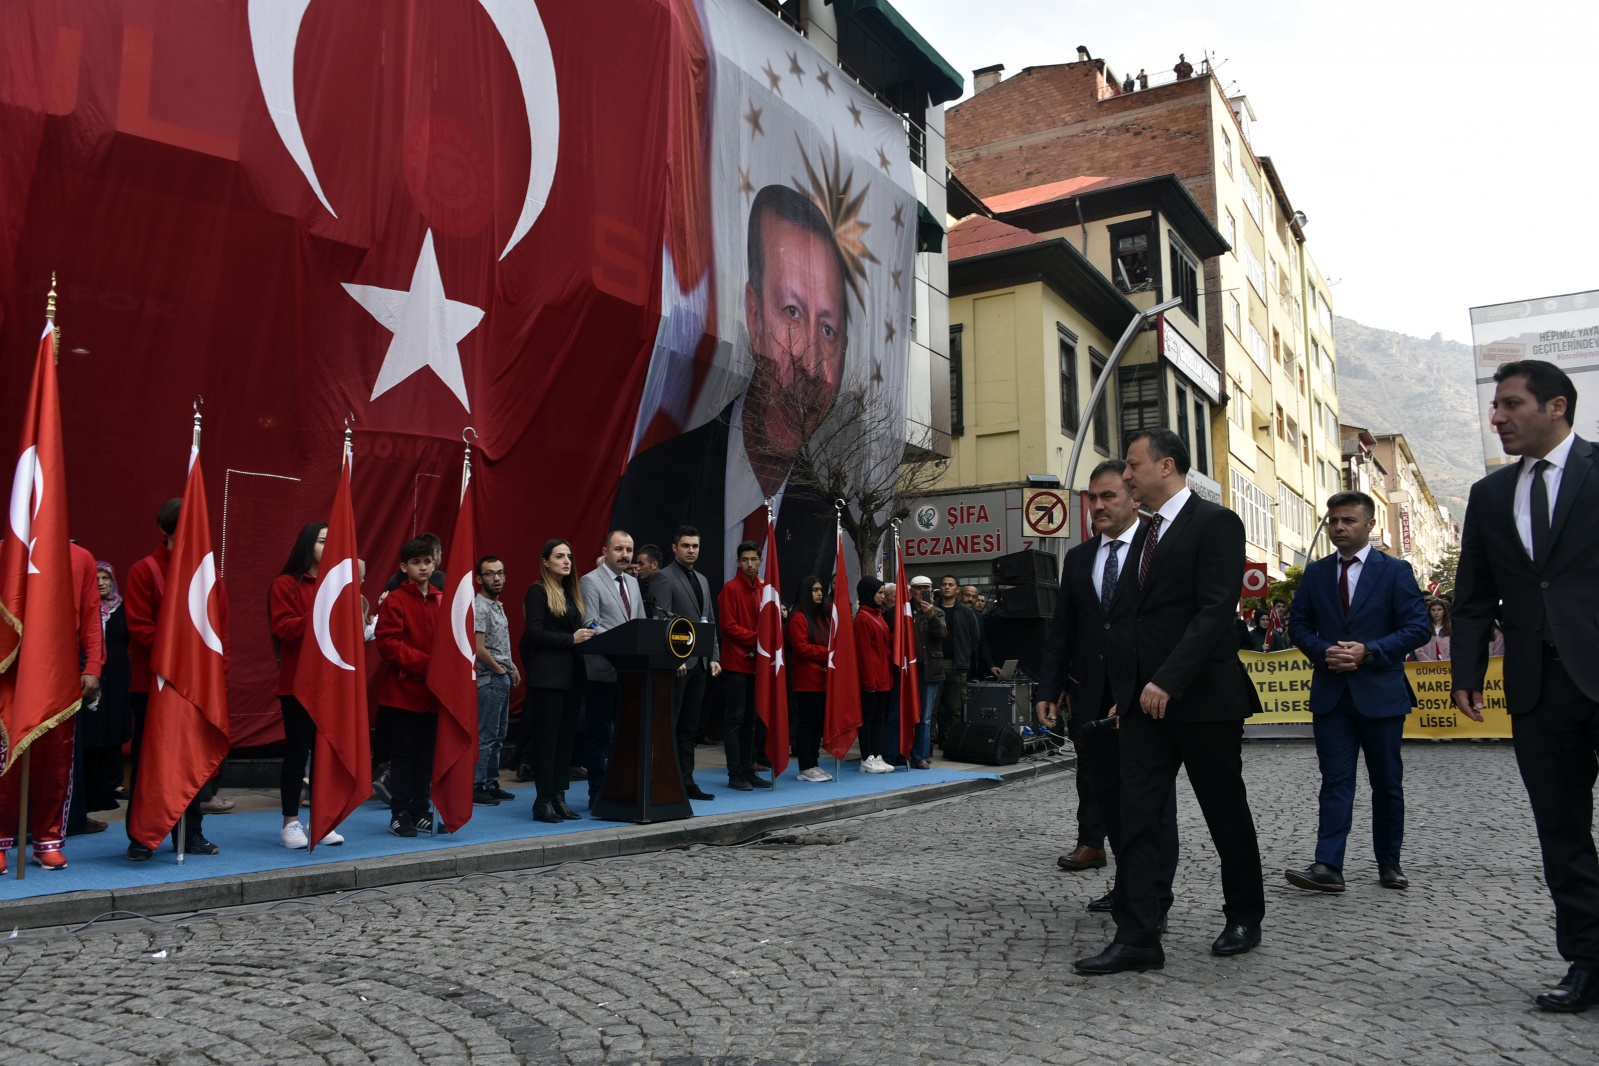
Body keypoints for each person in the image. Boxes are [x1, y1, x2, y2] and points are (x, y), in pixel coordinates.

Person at [1075, 429, 1264, 975]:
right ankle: (1137, 935)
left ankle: (1244, 914)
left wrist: (1167, 680)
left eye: (1133, 466)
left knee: (1225, 813)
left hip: (1203, 701)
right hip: (1143, 709)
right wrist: (1128, 691)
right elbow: (1135, 623)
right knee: (1137, 820)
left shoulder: (1216, 524)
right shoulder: (1143, 534)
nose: (1126, 476)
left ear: (1168, 466)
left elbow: (1212, 613)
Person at [1451, 359, 1599, 1012]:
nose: (1497, 417)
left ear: (1556, 407)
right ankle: (1587, 962)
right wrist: (1465, 669)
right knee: (1561, 835)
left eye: (1510, 404)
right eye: (1494, 406)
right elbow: (1474, 595)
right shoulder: (1488, 497)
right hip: (1537, 689)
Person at [611, 184, 848, 591]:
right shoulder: (655, 480)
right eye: (791, 312)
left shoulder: (825, 515)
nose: (809, 363)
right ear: (753, 317)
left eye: (828, 330)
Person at [1036, 460, 1179, 914]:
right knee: (1110, 799)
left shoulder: (1157, 549)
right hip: (1092, 700)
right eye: (1091, 498)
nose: (1097, 506)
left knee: (1152, 805)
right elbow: (1064, 629)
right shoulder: (1078, 558)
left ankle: (1154, 898)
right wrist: (1048, 688)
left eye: (1108, 496)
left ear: (1133, 496)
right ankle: (1127, 885)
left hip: (1142, 699)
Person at [1285, 491, 1430, 894]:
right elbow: (1299, 626)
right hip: (1332, 695)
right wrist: (1323, 651)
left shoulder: (1395, 571)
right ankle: (1328, 865)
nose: (1338, 528)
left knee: (1386, 783)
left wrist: (1370, 651)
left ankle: (1389, 862)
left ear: (1370, 525)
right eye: (1333, 521)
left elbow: (1418, 627)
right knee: (1335, 781)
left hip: (1381, 692)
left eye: (1348, 521)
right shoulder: (1315, 574)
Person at [1, 541, 103, 871]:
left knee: (56, 758)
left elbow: (91, 613)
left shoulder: (80, 557)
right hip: (10, 666)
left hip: (58, 665)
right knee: (5, 757)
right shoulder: (6, 550)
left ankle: (48, 840)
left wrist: (93, 666)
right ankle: (1, 841)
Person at [121, 499, 214, 860]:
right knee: (149, 759)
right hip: (154, 684)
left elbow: (217, 635)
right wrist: (178, 657)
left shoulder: (208, 575)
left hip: (195, 686)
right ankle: (142, 835)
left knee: (192, 760)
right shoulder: (145, 570)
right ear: (167, 529)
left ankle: (191, 833)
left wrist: (213, 676)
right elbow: (139, 628)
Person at [268, 522, 347, 849]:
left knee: (325, 754)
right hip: (298, 685)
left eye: (332, 542)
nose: (327, 547)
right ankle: (290, 823)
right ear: (306, 545)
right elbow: (284, 628)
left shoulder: (336, 585)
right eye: (321, 541)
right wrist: (321, 610)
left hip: (331, 683)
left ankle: (323, 819)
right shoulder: (286, 584)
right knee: (298, 753)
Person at [375, 536, 445, 838]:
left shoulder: (443, 600)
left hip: (434, 695)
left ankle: (421, 810)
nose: (422, 567)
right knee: (403, 756)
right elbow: (389, 644)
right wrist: (429, 666)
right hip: (403, 694)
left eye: (427, 561)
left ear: (434, 562)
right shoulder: (395, 600)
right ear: (404, 567)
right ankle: (399, 812)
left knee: (426, 756)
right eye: (416, 562)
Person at [520, 539, 594, 823]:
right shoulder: (537, 591)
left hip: (572, 677)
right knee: (548, 741)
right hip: (548, 678)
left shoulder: (570, 592)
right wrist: (570, 638)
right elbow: (533, 633)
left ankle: (559, 797)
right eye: (559, 556)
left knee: (566, 741)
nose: (566, 561)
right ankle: (543, 801)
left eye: (569, 557)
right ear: (545, 561)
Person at [650, 526, 722, 800]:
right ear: (674, 547)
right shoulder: (663, 578)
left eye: (695, 546)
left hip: (701, 664)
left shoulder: (702, 580)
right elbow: (662, 622)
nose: (691, 550)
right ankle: (665, 778)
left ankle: (687, 780)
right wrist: (673, 658)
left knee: (690, 727)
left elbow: (709, 621)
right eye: (686, 545)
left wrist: (713, 656)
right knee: (672, 723)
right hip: (678, 665)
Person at [579, 531, 644, 806]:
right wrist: (624, 646)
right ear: (605, 551)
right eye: (619, 549)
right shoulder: (590, 581)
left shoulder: (633, 582)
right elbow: (591, 624)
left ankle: (621, 787)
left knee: (627, 734)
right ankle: (597, 792)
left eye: (629, 549)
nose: (625, 555)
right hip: (602, 670)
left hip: (630, 674)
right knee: (599, 734)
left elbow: (639, 622)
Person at [717, 540, 771, 790]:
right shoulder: (730, 589)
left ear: (760, 561)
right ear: (738, 562)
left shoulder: (764, 589)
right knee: (735, 719)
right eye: (745, 560)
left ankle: (748, 769)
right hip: (736, 663)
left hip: (756, 663)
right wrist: (758, 639)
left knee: (751, 718)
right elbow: (728, 627)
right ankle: (734, 773)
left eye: (754, 559)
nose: (750, 564)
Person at [83, 562, 133, 803]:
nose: (101, 583)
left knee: (114, 725)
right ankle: (89, 786)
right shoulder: (83, 608)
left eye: (106, 578)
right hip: (89, 676)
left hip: (117, 676)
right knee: (90, 728)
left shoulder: (123, 608)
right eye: (96, 578)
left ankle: (113, 783)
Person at [473, 555, 519, 807]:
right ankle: (476, 785)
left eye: (500, 573)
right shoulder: (480, 607)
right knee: (487, 734)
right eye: (490, 574)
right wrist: (500, 671)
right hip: (490, 678)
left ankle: (491, 781)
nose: (497, 578)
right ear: (479, 578)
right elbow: (478, 648)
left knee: (499, 733)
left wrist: (510, 666)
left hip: (500, 675)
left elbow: (497, 644)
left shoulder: (496, 605)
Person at [787, 575, 833, 782]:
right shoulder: (798, 618)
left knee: (816, 725)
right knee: (807, 723)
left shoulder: (820, 617)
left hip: (821, 680)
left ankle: (813, 762)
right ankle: (805, 766)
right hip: (806, 680)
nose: (820, 593)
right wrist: (827, 652)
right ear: (806, 592)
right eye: (815, 590)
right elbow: (801, 648)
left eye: (821, 589)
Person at [933, 575, 980, 750]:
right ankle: (929, 744)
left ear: (957, 590)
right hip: (935, 664)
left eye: (950, 585)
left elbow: (974, 638)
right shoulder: (932, 608)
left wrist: (964, 656)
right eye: (944, 584)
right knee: (932, 708)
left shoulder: (967, 612)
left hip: (957, 664)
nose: (947, 587)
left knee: (955, 709)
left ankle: (950, 743)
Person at [854, 576, 894, 773]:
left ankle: (877, 755)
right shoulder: (862, 618)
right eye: (879, 593)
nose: (883, 596)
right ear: (869, 593)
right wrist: (869, 681)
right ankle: (866, 756)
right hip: (872, 677)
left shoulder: (878, 615)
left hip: (882, 676)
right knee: (868, 718)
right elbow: (863, 653)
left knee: (879, 718)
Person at [906, 575, 947, 769]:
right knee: (903, 713)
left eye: (925, 589)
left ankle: (921, 755)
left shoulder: (937, 612)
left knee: (925, 716)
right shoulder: (904, 612)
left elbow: (941, 634)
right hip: (907, 670)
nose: (921, 592)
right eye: (918, 588)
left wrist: (930, 616)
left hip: (929, 671)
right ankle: (903, 751)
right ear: (911, 590)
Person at [634, 544, 664, 616]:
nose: (637, 568)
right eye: (637, 564)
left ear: (654, 565)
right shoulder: (640, 586)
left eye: (641, 564)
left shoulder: (665, 586)